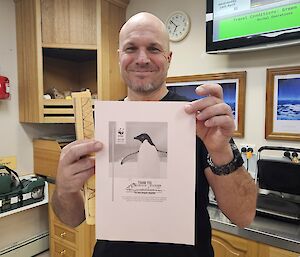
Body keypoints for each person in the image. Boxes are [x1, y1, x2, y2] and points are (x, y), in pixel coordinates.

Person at [52, 12, 257, 257]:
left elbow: (244, 216)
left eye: (153, 48)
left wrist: (222, 151)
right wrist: (64, 188)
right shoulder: (97, 124)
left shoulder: (200, 121)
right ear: (119, 58)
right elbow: (72, 218)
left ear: (168, 58)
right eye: (131, 48)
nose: (142, 58)